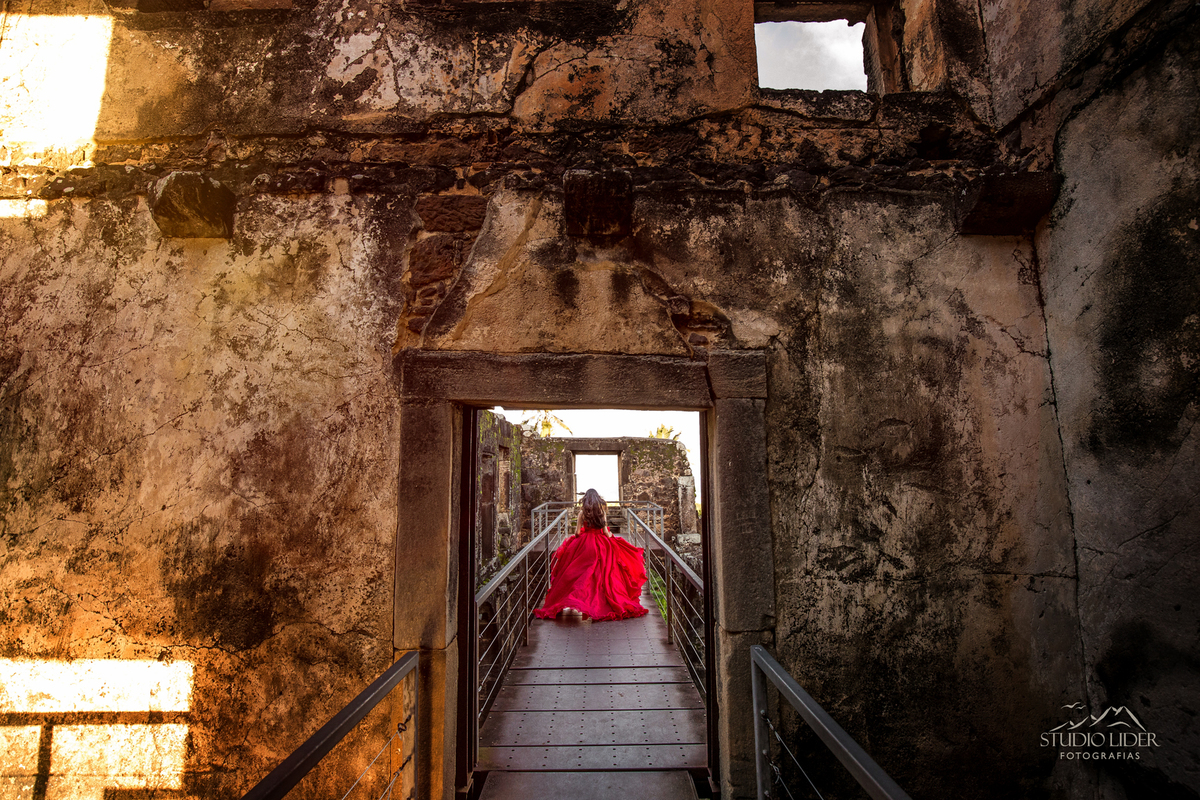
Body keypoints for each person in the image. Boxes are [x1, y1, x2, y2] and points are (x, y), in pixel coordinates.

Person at [534, 488, 649, 622]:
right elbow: (605, 532)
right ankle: (600, 603)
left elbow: (577, 532)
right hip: (601, 545)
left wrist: (582, 534)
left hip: (585, 544)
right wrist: (612, 536)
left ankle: (578, 599)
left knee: (579, 573)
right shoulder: (601, 512)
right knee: (604, 573)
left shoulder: (582, 513)